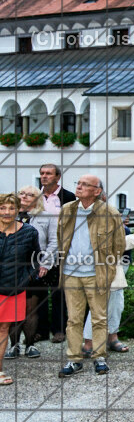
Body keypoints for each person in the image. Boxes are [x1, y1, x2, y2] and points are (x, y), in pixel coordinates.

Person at [56, 175, 126, 377]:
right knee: (73, 319)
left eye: (85, 185)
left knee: (99, 318)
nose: (79, 187)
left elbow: (119, 245)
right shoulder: (67, 210)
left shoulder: (110, 213)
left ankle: (99, 357)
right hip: (71, 273)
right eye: (78, 183)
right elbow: (61, 240)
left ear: (97, 191)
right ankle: (74, 360)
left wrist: (107, 268)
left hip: (97, 274)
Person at [82, 195, 134, 356]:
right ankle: (89, 343)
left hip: (116, 267)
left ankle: (112, 338)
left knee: (116, 304)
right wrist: (133, 239)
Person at [4, 186, 57, 359]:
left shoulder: (46, 216)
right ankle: (14, 345)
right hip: (10, 271)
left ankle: (30, 344)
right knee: (12, 310)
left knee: (30, 309)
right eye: (22, 194)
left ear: (38, 199)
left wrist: (45, 265)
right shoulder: (8, 215)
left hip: (36, 269)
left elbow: (54, 242)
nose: (25, 197)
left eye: (30, 194)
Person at [0, 193, 41, 386]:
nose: (7, 212)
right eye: (2, 208)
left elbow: (35, 258)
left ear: (18, 209)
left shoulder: (29, 232)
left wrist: (27, 277)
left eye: (11, 208)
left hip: (12, 288)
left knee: (3, 329)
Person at [39, 163, 75, 344]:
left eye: (48, 173)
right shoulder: (35, 196)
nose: (44, 176)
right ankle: (40, 330)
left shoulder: (68, 197)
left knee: (59, 289)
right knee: (38, 291)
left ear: (57, 177)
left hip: (61, 248)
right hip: (38, 250)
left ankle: (59, 329)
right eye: (42, 173)